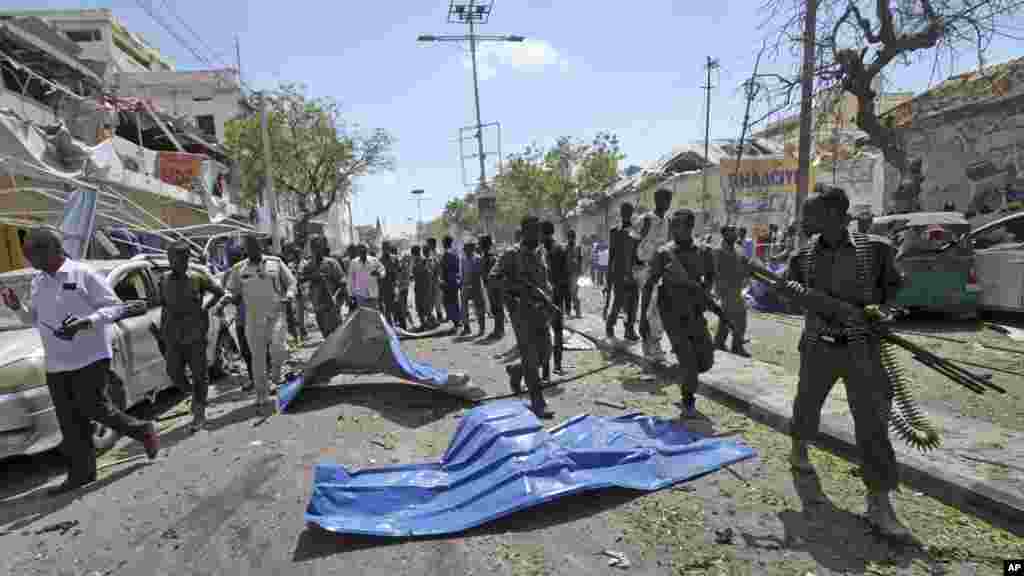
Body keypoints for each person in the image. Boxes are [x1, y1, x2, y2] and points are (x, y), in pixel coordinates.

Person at [784, 186, 910, 539]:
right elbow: (788, 296)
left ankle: (879, 503)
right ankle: (799, 449)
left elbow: (896, 290)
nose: (805, 220)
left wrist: (885, 313)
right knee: (806, 405)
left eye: (811, 214)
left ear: (835, 215)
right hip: (818, 347)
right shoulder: (802, 257)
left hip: (862, 349)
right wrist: (793, 295)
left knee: (872, 424)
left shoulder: (876, 250)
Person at [2, 227, 159, 494]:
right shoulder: (38, 282)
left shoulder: (83, 274)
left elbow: (115, 307)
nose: (29, 260)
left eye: (32, 253)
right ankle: (81, 475)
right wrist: (17, 307)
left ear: (52, 249)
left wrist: (87, 322)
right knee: (69, 421)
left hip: (90, 357)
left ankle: (142, 430)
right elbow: (33, 320)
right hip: (56, 364)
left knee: (94, 408)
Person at [640, 209, 716, 419]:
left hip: (695, 312)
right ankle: (688, 399)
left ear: (690, 227)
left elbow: (710, 276)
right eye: (671, 225)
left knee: (706, 360)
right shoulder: (664, 253)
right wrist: (643, 317)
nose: (672, 229)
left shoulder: (704, 251)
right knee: (690, 362)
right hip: (672, 314)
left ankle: (682, 372)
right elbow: (648, 285)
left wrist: (704, 293)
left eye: (677, 225)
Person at [491, 216, 555, 419]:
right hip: (521, 313)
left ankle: (517, 371)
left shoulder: (540, 253)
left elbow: (544, 282)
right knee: (529, 355)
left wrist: (548, 300)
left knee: (545, 353)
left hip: (541, 311)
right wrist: (516, 290)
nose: (537, 235)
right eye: (533, 231)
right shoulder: (511, 254)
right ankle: (537, 402)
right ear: (524, 231)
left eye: (539, 231)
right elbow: (494, 277)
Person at [224, 233, 295, 414]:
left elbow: (292, 283)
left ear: (261, 246)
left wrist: (289, 295)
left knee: (279, 349)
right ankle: (262, 395)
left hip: (276, 314)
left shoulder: (275, 262)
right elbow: (232, 291)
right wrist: (227, 299)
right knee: (258, 360)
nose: (253, 249)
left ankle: (277, 374)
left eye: (256, 246)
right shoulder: (239, 269)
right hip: (253, 319)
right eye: (249, 247)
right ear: (245, 250)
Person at [160, 240, 225, 432]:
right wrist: (162, 333)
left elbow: (219, 292)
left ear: (185, 259)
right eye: (170, 258)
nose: (172, 262)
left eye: (176, 258)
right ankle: (193, 396)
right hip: (173, 335)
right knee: (174, 372)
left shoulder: (197, 278)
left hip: (195, 334)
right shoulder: (163, 279)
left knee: (199, 376)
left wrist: (206, 306)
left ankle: (199, 414)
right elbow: (163, 306)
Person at [635, 188, 674, 363]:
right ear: (657, 200)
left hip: (662, 270)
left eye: (669, 199)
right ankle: (648, 345)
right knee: (647, 307)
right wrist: (632, 270)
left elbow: (669, 245)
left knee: (659, 309)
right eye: (665, 199)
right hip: (645, 269)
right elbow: (633, 243)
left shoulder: (668, 221)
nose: (667, 203)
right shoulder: (646, 220)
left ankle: (655, 344)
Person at [712, 226, 750, 357]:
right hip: (725, 288)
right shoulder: (718, 251)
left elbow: (744, 265)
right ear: (724, 234)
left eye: (735, 231)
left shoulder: (739, 249)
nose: (735, 233)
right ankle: (737, 345)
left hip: (737, 287)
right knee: (740, 317)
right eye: (731, 231)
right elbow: (715, 271)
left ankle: (719, 341)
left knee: (726, 317)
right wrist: (717, 289)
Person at [607, 202, 640, 341]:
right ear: (621, 213)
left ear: (632, 213)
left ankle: (629, 329)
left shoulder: (636, 232)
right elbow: (611, 255)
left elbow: (639, 252)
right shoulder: (614, 231)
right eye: (624, 211)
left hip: (633, 272)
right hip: (619, 272)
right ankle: (610, 324)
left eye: (629, 211)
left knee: (633, 303)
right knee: (618, 301)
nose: (626, 213)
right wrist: (609, 274)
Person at [541, 221, 567, 375]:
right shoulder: (559, 249)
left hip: (549, 296)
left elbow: (564, 275)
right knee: (555, 332)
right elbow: (565, 275)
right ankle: (555, 366)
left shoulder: (541, 250)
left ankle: (550, 368)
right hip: (553, 295)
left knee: (549, 332)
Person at [479, 236, 504, 339]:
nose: (479, 246)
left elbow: (495, 274)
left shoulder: (491, 257)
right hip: (490, 286)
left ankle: (500, 330)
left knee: (497, 308)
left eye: (481, 244)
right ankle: (497, 329)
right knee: (495, 308)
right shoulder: (485, 256)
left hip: (495, 287)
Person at [347, 243, 386, 309]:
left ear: (367, 250)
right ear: (358, 251)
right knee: (363, 316)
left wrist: (379, 274)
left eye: (364, 250)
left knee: (373, 315)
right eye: (360, 250)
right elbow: (350, 279)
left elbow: (383, 270)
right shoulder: (353, 262)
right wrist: (351, 294)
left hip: (373, 294)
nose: (362, 252)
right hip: (360, 295)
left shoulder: (374, 260)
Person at [460, 240, 487, 336]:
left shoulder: (478, 259)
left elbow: (479, 273)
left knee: (479, 307)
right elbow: (462, 273)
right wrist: (462, 284)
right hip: (465, 286)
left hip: (476, 286)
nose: (466, 251)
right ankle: (466, 327)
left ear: (472, 249)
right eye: (465, 249)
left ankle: (482, 328)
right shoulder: (463, 259)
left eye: (468, 249)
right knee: (463, 307)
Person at [440, 236, 462, 330]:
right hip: (454, 280)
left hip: (448, 281)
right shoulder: (455, 253)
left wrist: (443, 281)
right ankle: (457, 321)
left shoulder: (446, 254)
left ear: (444, 243)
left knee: (449, 301)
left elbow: (444, 269)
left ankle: (456, 322)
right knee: (454, 301)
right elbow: (458, 268)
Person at [411, 245, 435, 329]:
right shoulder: (416, 261)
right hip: (419, 286)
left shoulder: (424, 260)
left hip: (424, 286)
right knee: (419, 306)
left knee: (426, 306)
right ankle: (424, 323)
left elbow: (429, 273)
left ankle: (432, 322)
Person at [379, 241, 398, 324]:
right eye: (384, 248)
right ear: (382, 249)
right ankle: (390, 325)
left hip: (394, 286)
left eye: (387, 247)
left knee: (396, 306)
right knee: (387, 308)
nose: (386, 249)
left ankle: (399, 325)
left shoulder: (394, 258)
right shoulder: (379, 260)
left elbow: (398, 271)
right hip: (385, 287)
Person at [394, 245, 412, 330]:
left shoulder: (402, 265)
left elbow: (400, 276)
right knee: (402, 307)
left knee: (402, 307)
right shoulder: (403, 264)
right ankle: (406, 325)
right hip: (403, 288)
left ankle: (405, 326)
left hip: (402, 289)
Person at [566, 229, 583, 318]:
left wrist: (580, 271)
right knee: (569, 293)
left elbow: (580, 259)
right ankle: (571, 311)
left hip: (575, 273)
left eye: (572, 238)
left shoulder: (577, 247)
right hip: (567, 273)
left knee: (574, 293)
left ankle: (578, 311)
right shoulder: (565, 247)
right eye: (570, 238)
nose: (571, 239)